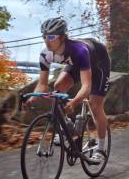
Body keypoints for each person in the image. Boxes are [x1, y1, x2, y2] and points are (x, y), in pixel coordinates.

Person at [25, 17, 110, 161]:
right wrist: (32, 98)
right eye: (44, 36)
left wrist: (74, 102)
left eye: (51, 36)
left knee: (95, 106)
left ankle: (101, 149)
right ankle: (67, 127)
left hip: (99, 64)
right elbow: (43, 84)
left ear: (63, 37)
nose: (47, 40)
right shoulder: (45, 54)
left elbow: (86, 86)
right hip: (78, 64)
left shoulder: (79, 50)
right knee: (58, 86)